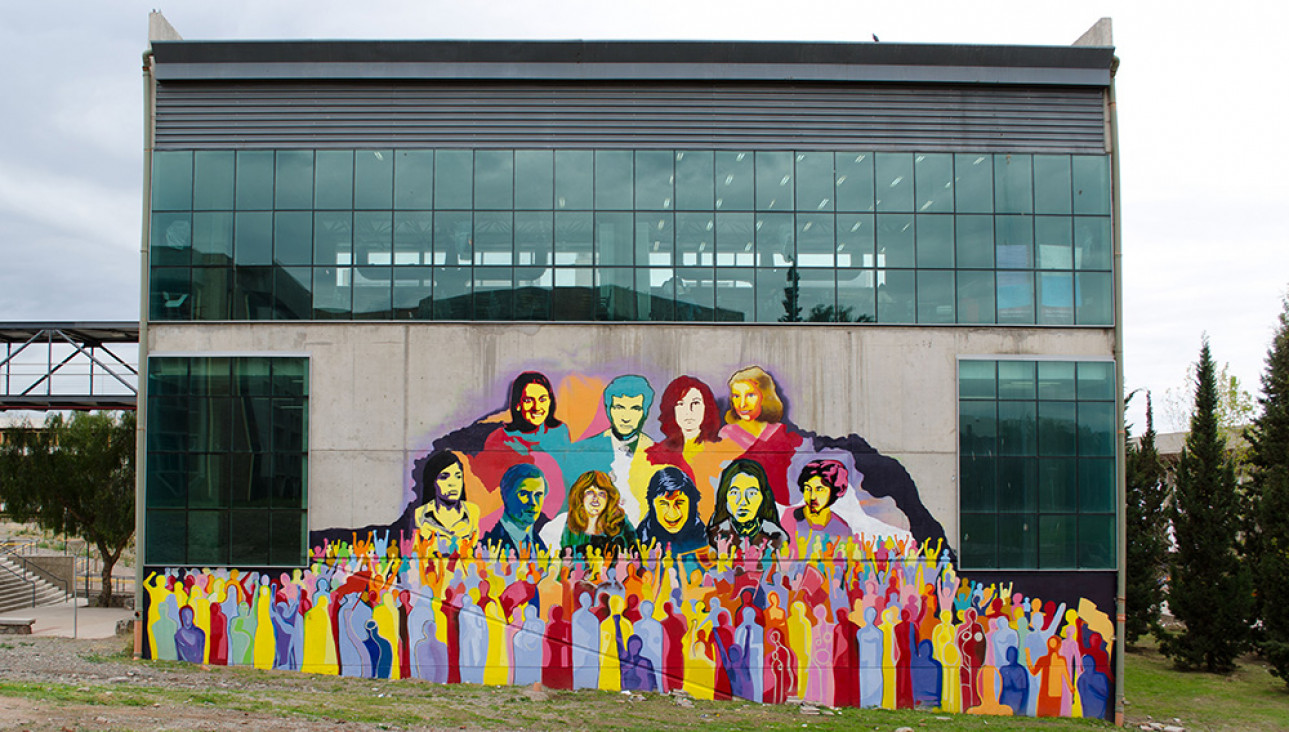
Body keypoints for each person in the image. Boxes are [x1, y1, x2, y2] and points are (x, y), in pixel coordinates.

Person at [475, 372, 572, 519]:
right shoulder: (499, 438)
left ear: (550, 402)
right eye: (528, 400)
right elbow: (490, 492)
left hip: (558, 517)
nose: (537, 407)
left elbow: (566, 476)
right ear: (518, 405)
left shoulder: (559, 432)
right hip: (518, 517)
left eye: (542, 399)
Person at [567, 375, 656, 523]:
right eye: (619, 407)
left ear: (645, 413)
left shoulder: (656, 453)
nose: (626, 417)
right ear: (608, 409)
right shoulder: (585, 451)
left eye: (635, 409)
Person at [644, 375, 729, 519]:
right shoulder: (655, 455)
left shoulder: (723, 452)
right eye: (680, 404)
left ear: (706, 407)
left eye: (695, 403)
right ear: (672, 409)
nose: (688, 411)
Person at [717, 366, 803, 505]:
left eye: (750, 395)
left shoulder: (782, 434)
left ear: (765, 396)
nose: (742, 404)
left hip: (779, 509)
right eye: (736, 396)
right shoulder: (726, 435)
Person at [707, 458, 788, 551]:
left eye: (751, 493)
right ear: (725, 497)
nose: (743, 501)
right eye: (734, 493)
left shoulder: (775, 536)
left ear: (763, 497)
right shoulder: (715, 535)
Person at [560, 470, 637, 558]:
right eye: (590, 493)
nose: (595, 499)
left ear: (609, 499)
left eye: (601, 494)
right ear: (580, 496)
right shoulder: (572, 523)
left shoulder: (621, 523)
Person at [637, 466, 708, 559]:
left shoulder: (704, 537)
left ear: (691, 504)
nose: (672, 513)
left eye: (679, 502)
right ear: (652, 505)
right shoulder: (640, 539)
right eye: (663, 504)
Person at [480, 463, 549, 555]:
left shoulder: (542, 546)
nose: (532, 502)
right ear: (506, 495)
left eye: (538, 495)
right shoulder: (486, 547)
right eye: (524, 493)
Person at [412, 451, 480, 541]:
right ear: (433, 482)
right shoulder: (420, 515)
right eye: (444, 477)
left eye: (458, 476)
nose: (453, 484)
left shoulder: (473, 512)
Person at [783, 459, 851, 544]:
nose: (812, 497)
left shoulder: (842, 528)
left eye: (819, 489)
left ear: (833, 491)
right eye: (808, 489)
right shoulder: (790, 516)